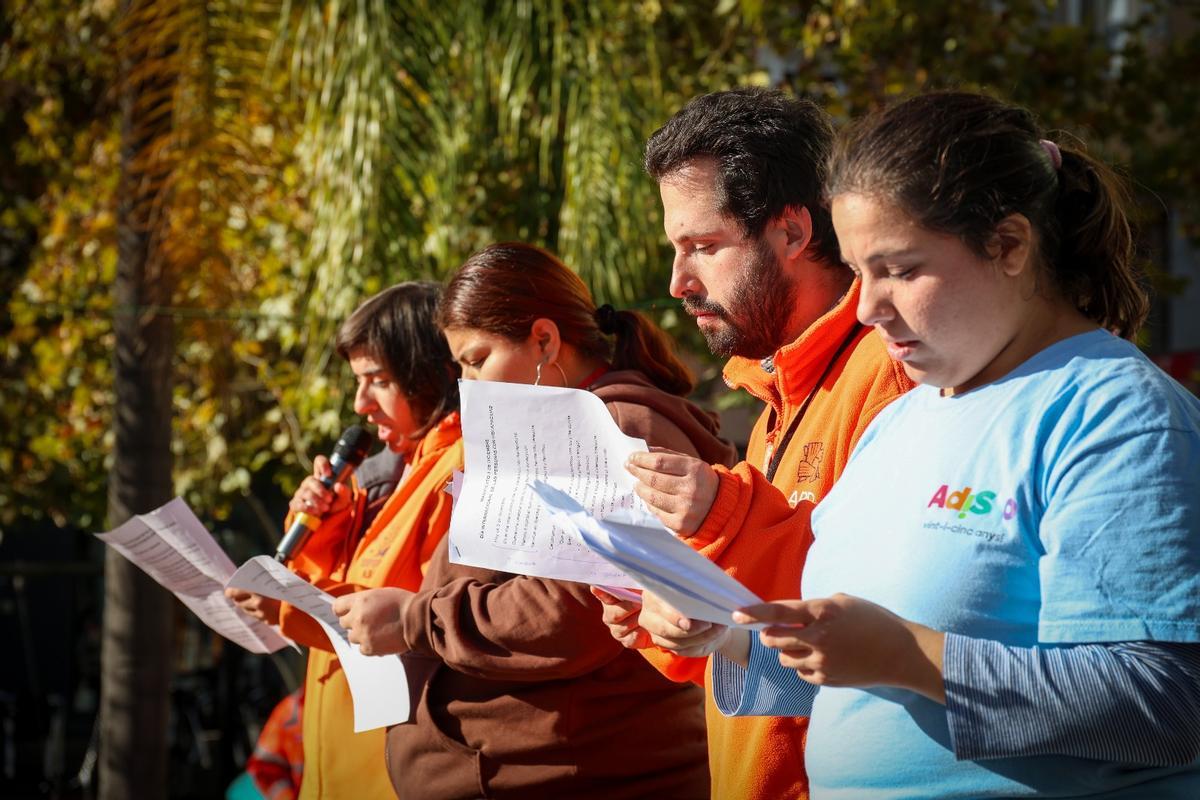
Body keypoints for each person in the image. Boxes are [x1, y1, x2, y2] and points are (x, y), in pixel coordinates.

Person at [715, 91, 1200, 798]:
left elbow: (1170, 705)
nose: (868, 307)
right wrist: (725, 636)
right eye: (858, 272)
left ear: (1009, 245)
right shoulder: (901, 420)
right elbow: (859, 682)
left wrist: (914, 657)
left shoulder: (1117, 415)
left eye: (901, 270)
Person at [594, 88, 913, 799]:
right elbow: (767, 647)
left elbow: (886, 620)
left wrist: (723, 517)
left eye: (703, 247)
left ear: (793, 233)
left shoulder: (889, 373)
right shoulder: (775, 400)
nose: (678, 283)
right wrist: (671, 614)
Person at [331, 242, 737, 799]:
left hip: (578, 776)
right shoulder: (555, 423)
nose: (467, 385)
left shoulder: (617, 427)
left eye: (477, 360)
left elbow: (573, 612)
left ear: (544, 339)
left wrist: (414, 620)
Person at [227, 282, 461, 799]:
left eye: (377, 381)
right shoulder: (382, 477)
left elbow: (408, 618)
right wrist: (323, 526)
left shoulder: (457, 469)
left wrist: (283, 608)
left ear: (433, 372)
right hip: (332, 765)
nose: (361, 405)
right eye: (358, 383)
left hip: (394, 769)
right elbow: (336, 584)